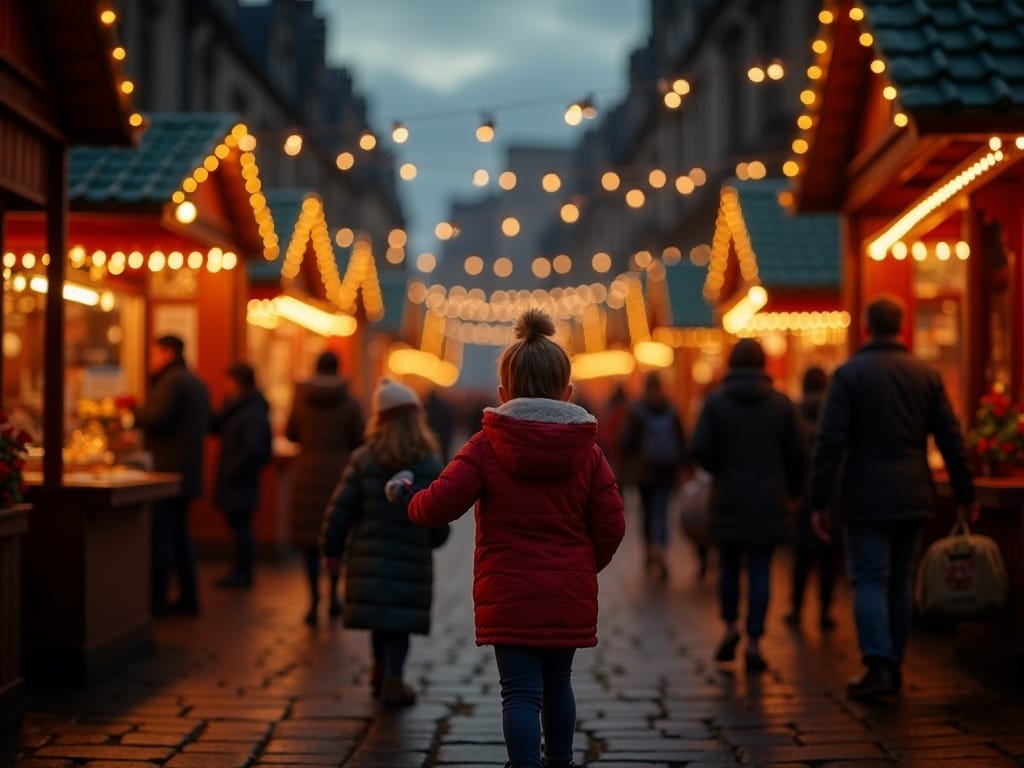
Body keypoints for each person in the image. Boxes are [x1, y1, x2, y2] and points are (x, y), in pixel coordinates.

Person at [394, 309, 625, 768]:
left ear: (503, 393)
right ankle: (560, 760)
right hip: (567, 593)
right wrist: (580, 565)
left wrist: (407, 498)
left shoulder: (485, 446)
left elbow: (439, 504)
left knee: (519, 692)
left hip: (510, 593)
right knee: (559, 685)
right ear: (568, 392)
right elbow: (612, 524)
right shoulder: (588, 453)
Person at [810, 296, 976, 699]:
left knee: (868, 578)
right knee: (900, 580)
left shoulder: (848, 376)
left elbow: (830, 443)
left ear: (867, 327)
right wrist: (964, 491)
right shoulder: (926, 375)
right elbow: (950, 438)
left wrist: (819, 501)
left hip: (865, 493)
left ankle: (878, 665)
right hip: (914, 491)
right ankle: (896, 660)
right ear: (902, 328)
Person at [321, 378, 445, 707]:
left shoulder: (364, 458)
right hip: (411, 557)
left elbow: (341, 510)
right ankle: (394, 675)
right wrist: (434, 538)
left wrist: (332, 550)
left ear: (379, 418)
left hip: (369, 556)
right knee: (399, 624)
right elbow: (439, 519)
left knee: (380, 619)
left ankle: (379, 668)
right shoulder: (429, 463)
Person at [692, 338, 807, 672]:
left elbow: (699, 447)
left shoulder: (715, 403)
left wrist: (718, 469)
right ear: (763, 364)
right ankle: (755, 640)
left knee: (728, 567)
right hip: (769, 500)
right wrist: (794, 490)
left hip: (728, 497)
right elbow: (799, 456)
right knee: (760, 570)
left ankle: (730, 627)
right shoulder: (781, 405)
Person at [286, 350, 365, 626]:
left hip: (306, 471)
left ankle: (312, 601)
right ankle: (333, 596)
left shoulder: (301, 398)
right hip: (338, 473)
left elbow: (290, 432)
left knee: (309, 542)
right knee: (336, 537)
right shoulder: (351, 402)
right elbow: (359, 438)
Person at [135, 335, 211, 616]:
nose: (150, 361)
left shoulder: (172, 382)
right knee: (179, 537)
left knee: (163, 539)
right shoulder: (193, 379)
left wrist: (132, 413)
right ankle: (188, 598)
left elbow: (157, 418)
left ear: (168, 353)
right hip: (187, 471)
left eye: (153, 355)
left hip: (169, 472)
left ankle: (158, 602)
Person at [784, 366, 840, 631]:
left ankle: (796, 607)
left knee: (802, 556)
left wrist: (792, 492)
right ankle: (825, 609)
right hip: (830, 494)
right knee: (828, 556)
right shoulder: (835, 413)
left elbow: (789, 455)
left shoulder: (794, 414)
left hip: (802, 494)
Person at [620, 371, 687, 582]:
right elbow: (682, 440)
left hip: (645, 473)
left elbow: (626, 441)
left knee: (648, 513)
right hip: (667, 471)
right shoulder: (671, 408)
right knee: (663, 512)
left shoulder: (637, 409)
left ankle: (650, 551)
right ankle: (663, 551)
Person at [210, 363, 272, 589]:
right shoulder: (241, 408)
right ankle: (240, 571)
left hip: (240, 480)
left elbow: (253, 449)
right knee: (239, 527)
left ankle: (242, 573)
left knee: (241, 528)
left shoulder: (250, 411)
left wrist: (233, 470)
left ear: (238, 382)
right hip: (240, 479)